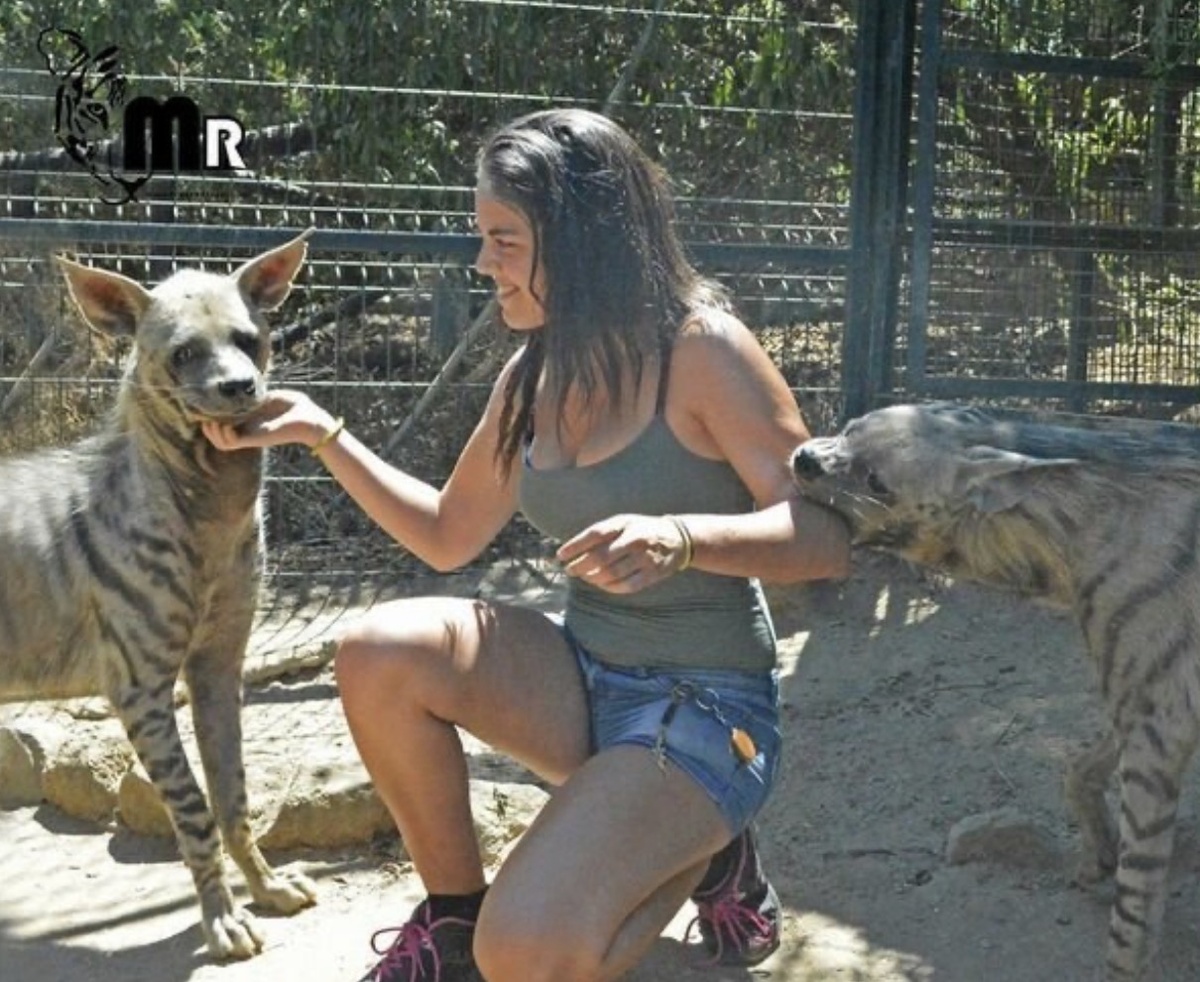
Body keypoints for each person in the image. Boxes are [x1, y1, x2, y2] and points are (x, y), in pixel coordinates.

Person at [202, 107, 850, 982]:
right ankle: (457, 923)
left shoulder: (704, 351)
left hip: (709, 708)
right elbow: (446, 534)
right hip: (586, 679)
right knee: (377, 650)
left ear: (577, 242)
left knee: (532, 955)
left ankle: (700, 846)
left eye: (504, 241)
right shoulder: (531, 375)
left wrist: (685, 538)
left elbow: (823, 536)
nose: (482, 265)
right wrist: (323, 436)